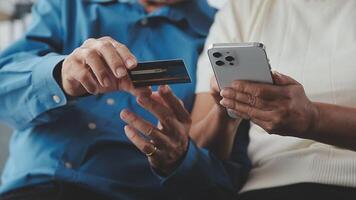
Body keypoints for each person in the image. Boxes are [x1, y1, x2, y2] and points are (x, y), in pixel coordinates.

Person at [0, 0, 248, 199]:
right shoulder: (67, 6)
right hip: (33, 188)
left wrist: (181, 158)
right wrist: (62, 75)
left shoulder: (221, 36)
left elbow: (223, 181)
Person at [123, 0, 356, 199]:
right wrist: (226, 112)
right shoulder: (242, 9)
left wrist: (312, 119)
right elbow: (201, 151)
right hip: (265, 185)